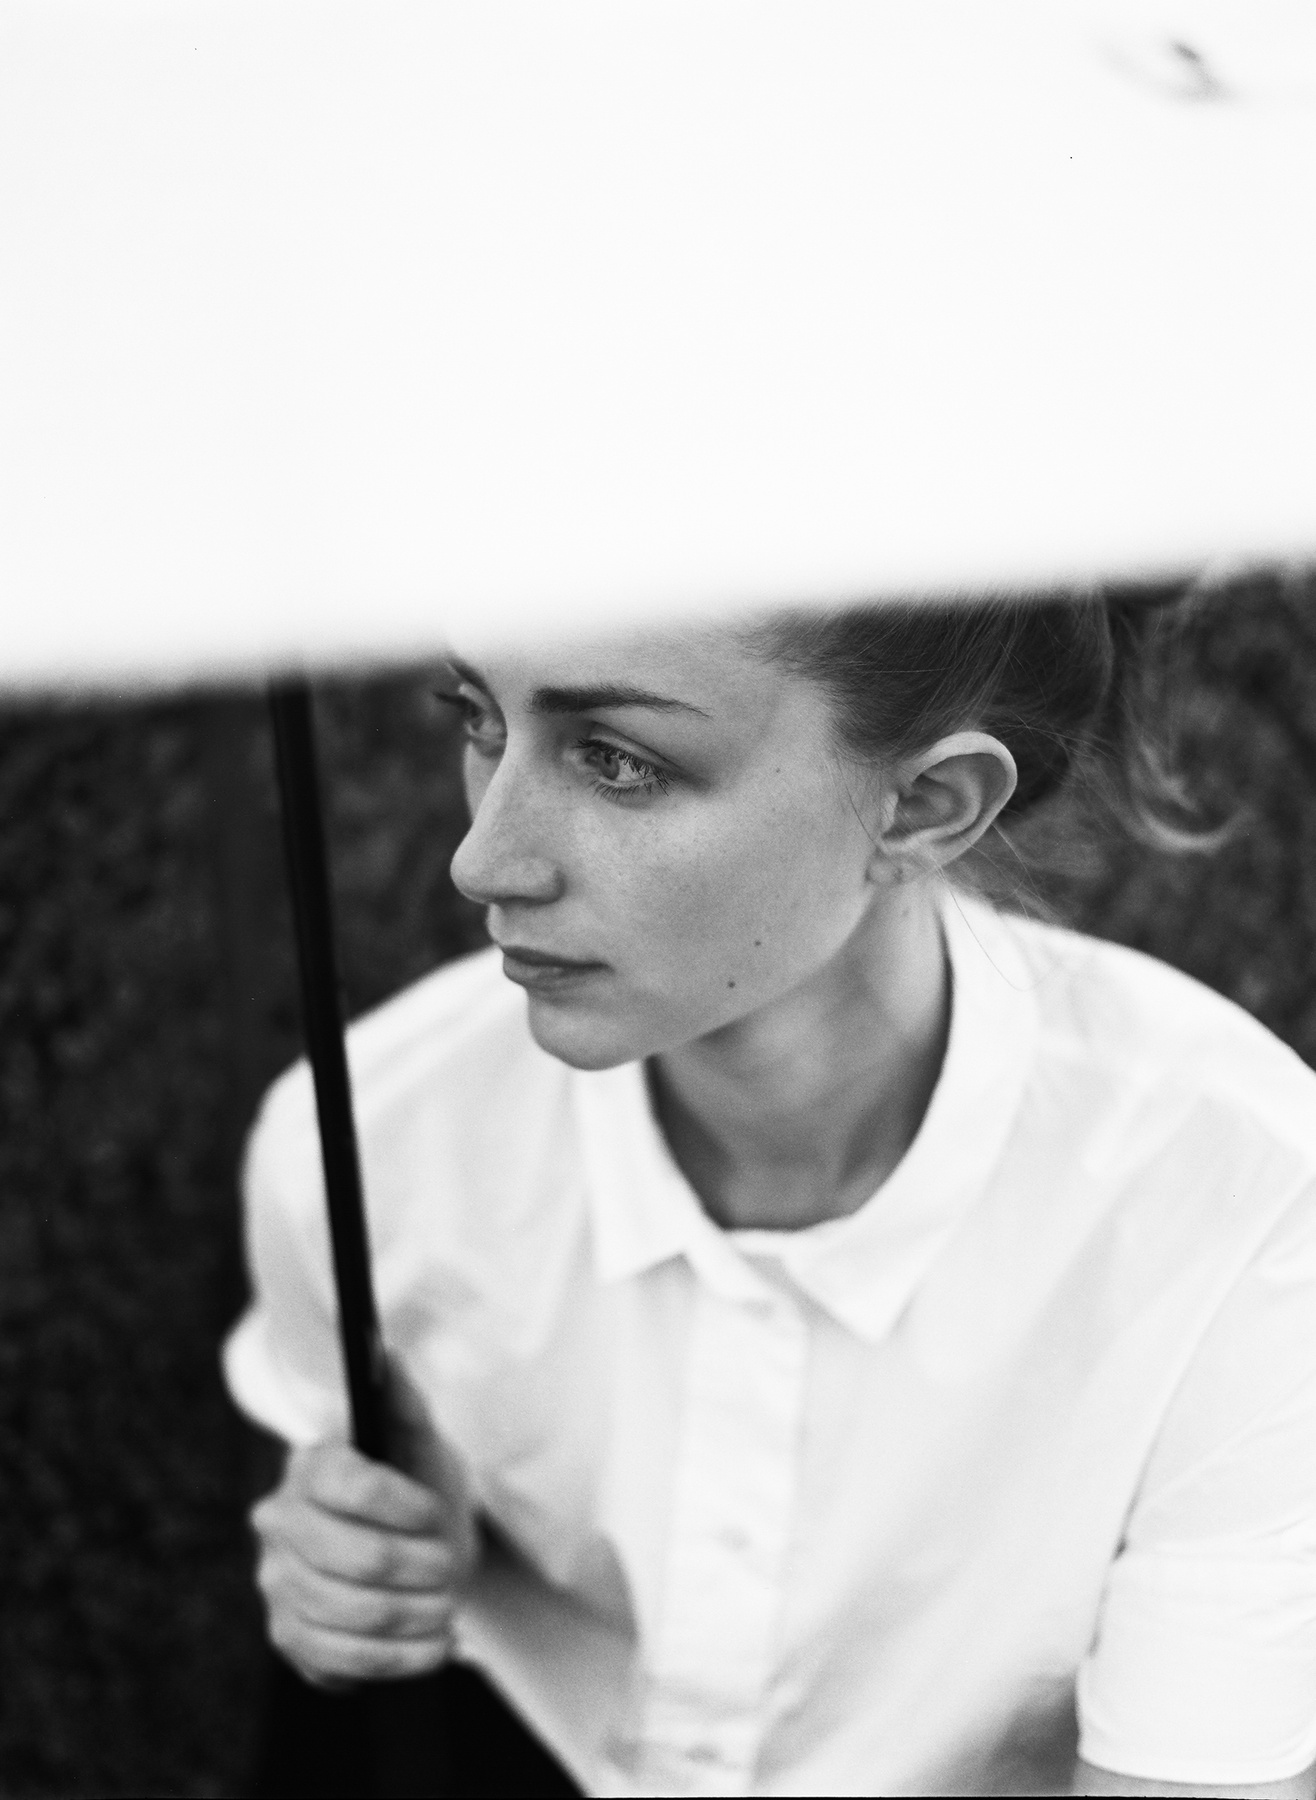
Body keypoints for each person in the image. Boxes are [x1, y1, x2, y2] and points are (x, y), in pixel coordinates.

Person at [226, 594, 1316, 1799]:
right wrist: (365, 1562)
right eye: (478, 718)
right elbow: (334, 1540)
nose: (482, 857)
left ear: (925, 806)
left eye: (617, 760)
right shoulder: (368, 1144)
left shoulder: (1241, 1204)